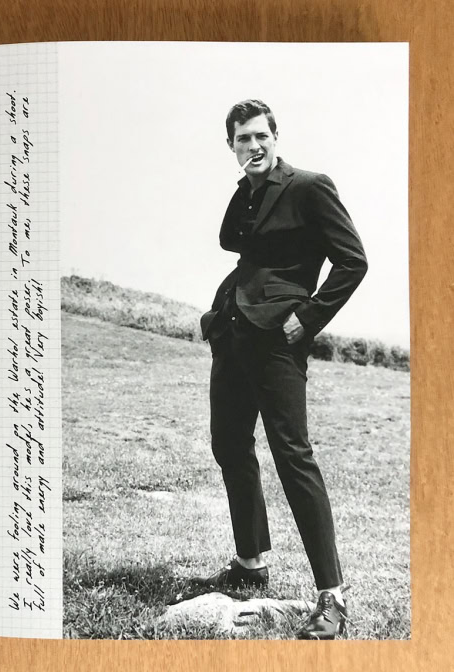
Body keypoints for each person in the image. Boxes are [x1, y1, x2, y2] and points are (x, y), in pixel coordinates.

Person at [196, 99, 367, 639]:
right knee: (229, 443)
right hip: (232, 332)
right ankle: (251, 562)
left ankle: (332, 598)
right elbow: (234, 245)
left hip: (278, 340)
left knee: (293, 456)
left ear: (275, 136)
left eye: (260, 136)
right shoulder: (245, 194)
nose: (253, 146)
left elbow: (352, 259)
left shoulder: (310, 186)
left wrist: (308, 319)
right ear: (232, 147)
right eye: (242, 140)